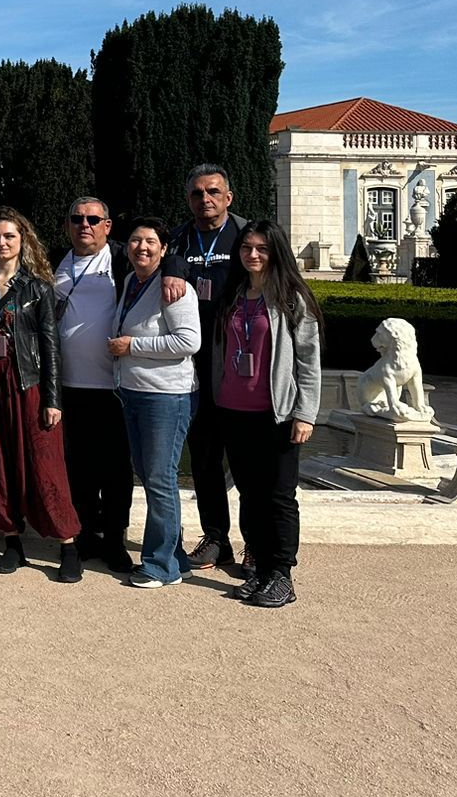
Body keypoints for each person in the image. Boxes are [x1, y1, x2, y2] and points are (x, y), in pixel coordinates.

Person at [208, 221, 321, 610]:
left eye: (262, 248)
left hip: (277, 414)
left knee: (279, 496)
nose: (252, 255)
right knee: (250, 494)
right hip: (234, 410)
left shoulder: (291, 298)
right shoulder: (234, 296)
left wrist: (305, 414)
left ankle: (282, 573)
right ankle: (258, 562)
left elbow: (308, 361)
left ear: (276, 252)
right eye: (246, 248)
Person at [0, 209, 79, 581]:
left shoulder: (37, 289)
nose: (2, 243)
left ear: (22, 240)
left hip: (27, 384)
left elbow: (50, 346)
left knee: (44, 464)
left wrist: (53, 399)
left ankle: (67, 545)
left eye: (9, 237)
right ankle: (12, 542)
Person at [109, 218, 201, 589]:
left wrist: (133, 346)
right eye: (134, 240)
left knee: (160, 479)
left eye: (150, 242)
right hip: (135, 391)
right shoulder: (133, 281)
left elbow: (187, 341)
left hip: (166, 395)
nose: (141, 247)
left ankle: (161, 565)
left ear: (164, 250)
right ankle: (174, 555)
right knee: (151, 475)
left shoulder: (175, 289)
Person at [169, 163, 250, 572]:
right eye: (198, 193)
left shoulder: (246, 236)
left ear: (228, 197)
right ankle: (217, 538)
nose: (206, 199)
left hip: (237, 360)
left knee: (245, 459)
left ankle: (255, 543)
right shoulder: (179, 239)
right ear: (189, 199)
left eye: (213, 192)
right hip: (194, 363)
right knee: (203, 458)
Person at [54, 196, 138, 574]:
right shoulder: (55, 261)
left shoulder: (121, 259)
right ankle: (86, 533)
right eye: (77, 218)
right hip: (69, 385)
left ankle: (116, 539)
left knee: (117, 469)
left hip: (114, 386)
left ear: (107, 226)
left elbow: (165, 254)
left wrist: (171, 268)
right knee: (78, 467)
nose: (84, 225)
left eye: (92, 219)